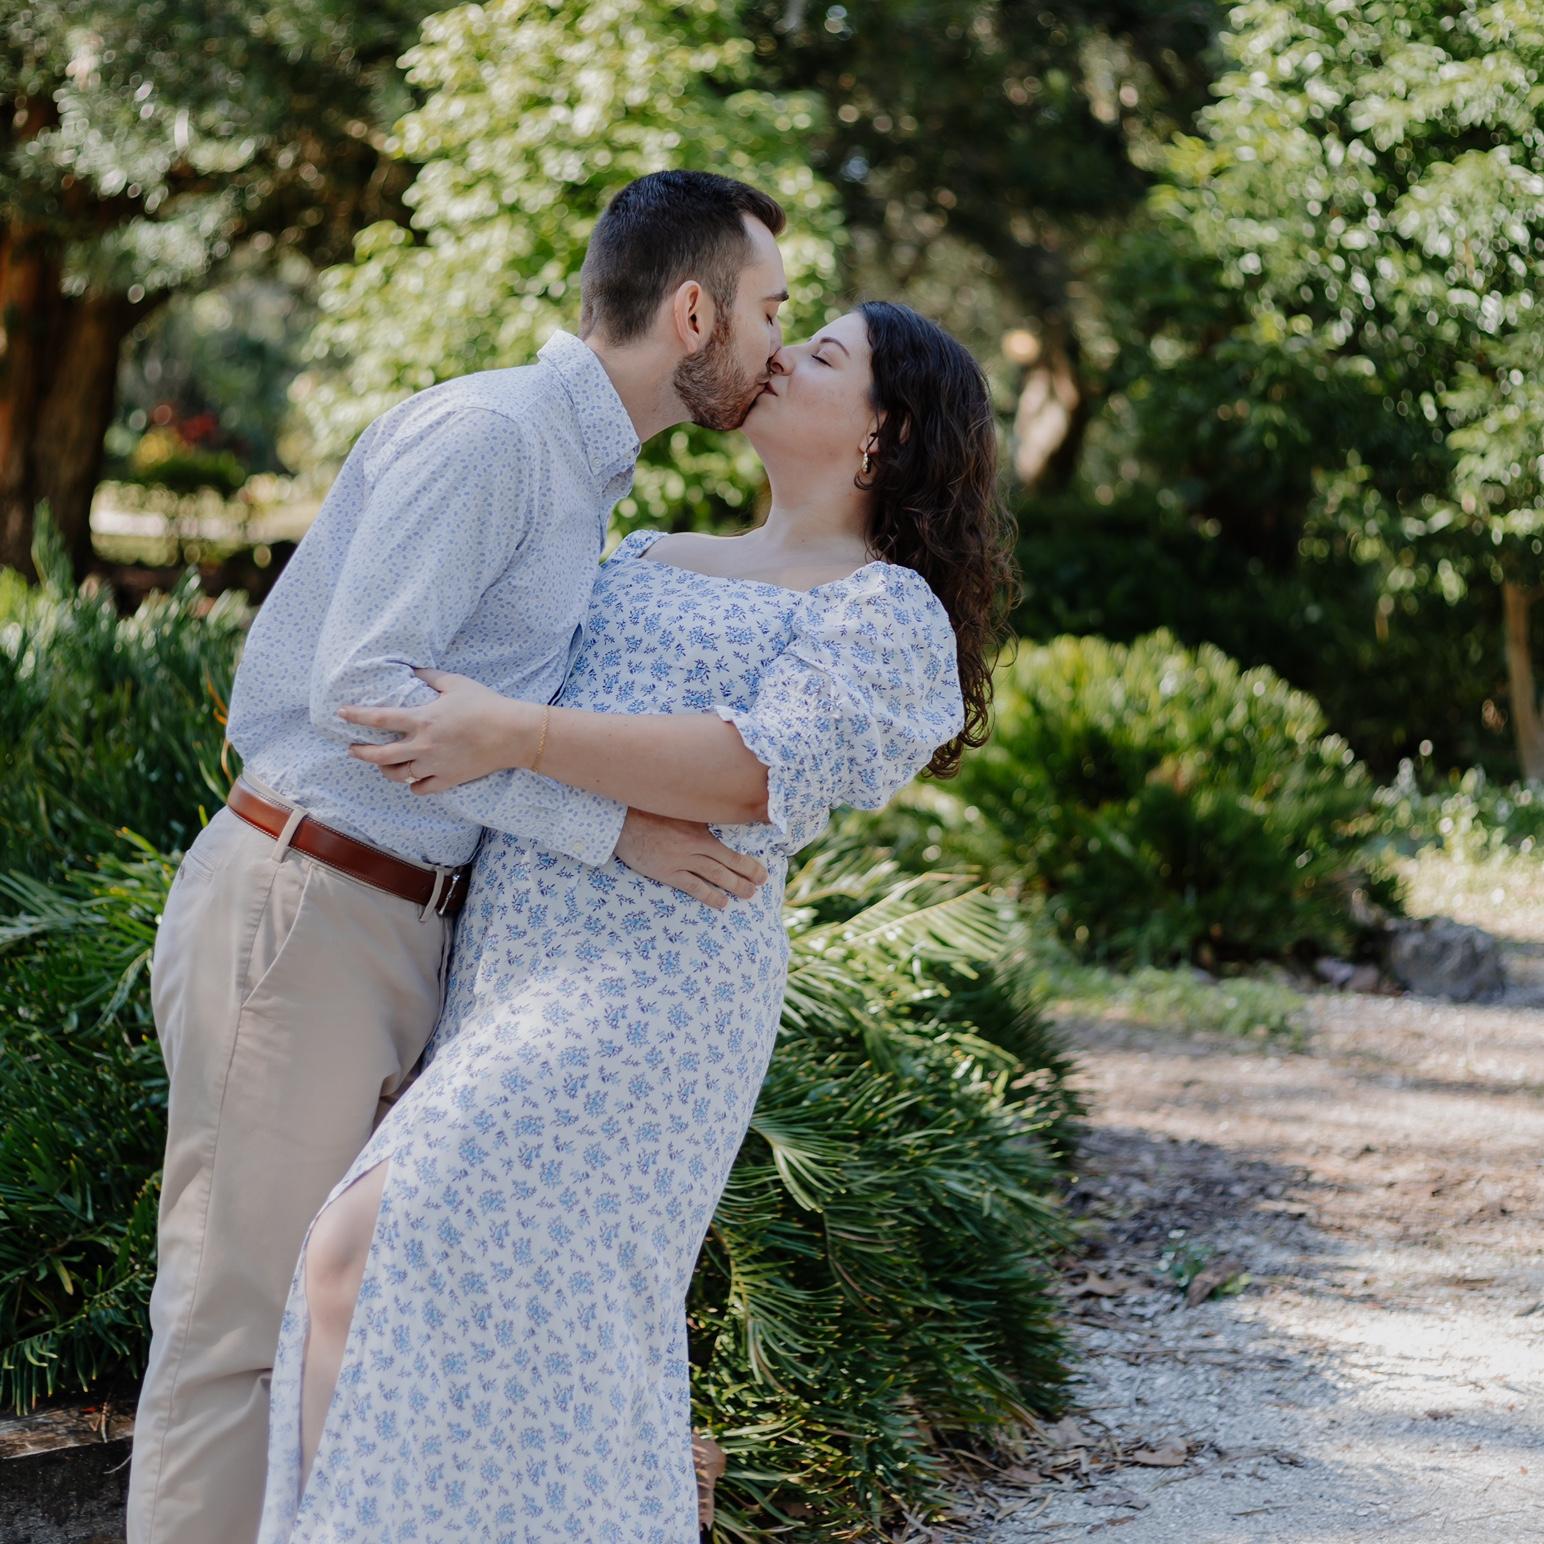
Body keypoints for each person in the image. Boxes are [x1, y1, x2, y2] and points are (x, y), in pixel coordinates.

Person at [255, 299, 1017, 1541]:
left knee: (364, 1247)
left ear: (887, 433)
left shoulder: (881, 611)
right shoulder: (648, 547)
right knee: (509, 1317)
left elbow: (752, 772)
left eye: (820, 354)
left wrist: (524, 735)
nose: (778, 355)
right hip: (511, 957)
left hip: (653, 992)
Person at [127, 169, 793, 1544]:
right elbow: (368, 696)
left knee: (351, 1319)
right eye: (772, 311)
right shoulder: (496, 437)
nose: (782, 346)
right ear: (692, 313)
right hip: (310, 903)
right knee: (235, 1329)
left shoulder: (582, 471)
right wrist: (614, 829)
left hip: (406, 924)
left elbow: (473, 720)